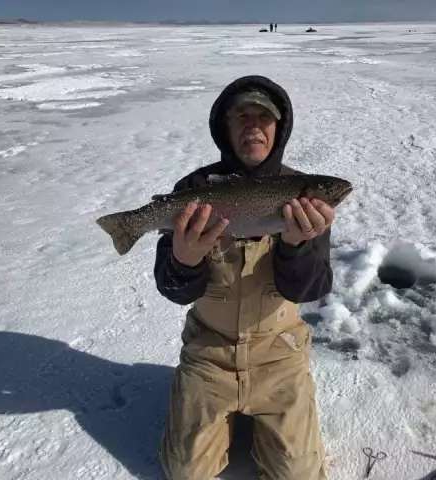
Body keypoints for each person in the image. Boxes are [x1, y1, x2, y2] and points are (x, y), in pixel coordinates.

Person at [154, 75, 334, 480]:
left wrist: (296, 245)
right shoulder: (195, 190)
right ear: (225, 126)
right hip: (209, 352)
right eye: (242, 116)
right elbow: (171, 288)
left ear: (278, 127)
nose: (253, 124)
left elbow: (314, 288)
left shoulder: (303, 193)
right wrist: (184, 260)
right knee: (183, 472)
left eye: (263, 117)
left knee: (299, 474)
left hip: (279, 351)